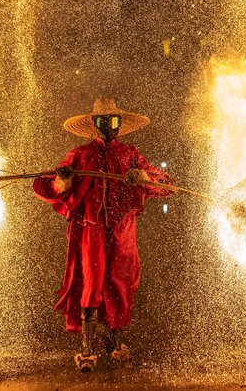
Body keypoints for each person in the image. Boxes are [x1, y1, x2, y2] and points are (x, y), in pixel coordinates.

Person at [33, 98, 174, 372]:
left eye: (113, 121)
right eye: (103, 122)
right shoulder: (80, 156)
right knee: (91, 282)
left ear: (120, 124)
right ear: (94, 125)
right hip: (91, 228)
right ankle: (87, 347)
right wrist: (64, 180)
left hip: (122, 228)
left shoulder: (130, 155)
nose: (109, 128)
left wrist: (143, 177)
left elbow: (164, 184)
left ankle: (114, 341)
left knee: (120, 281)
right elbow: (46, 186)